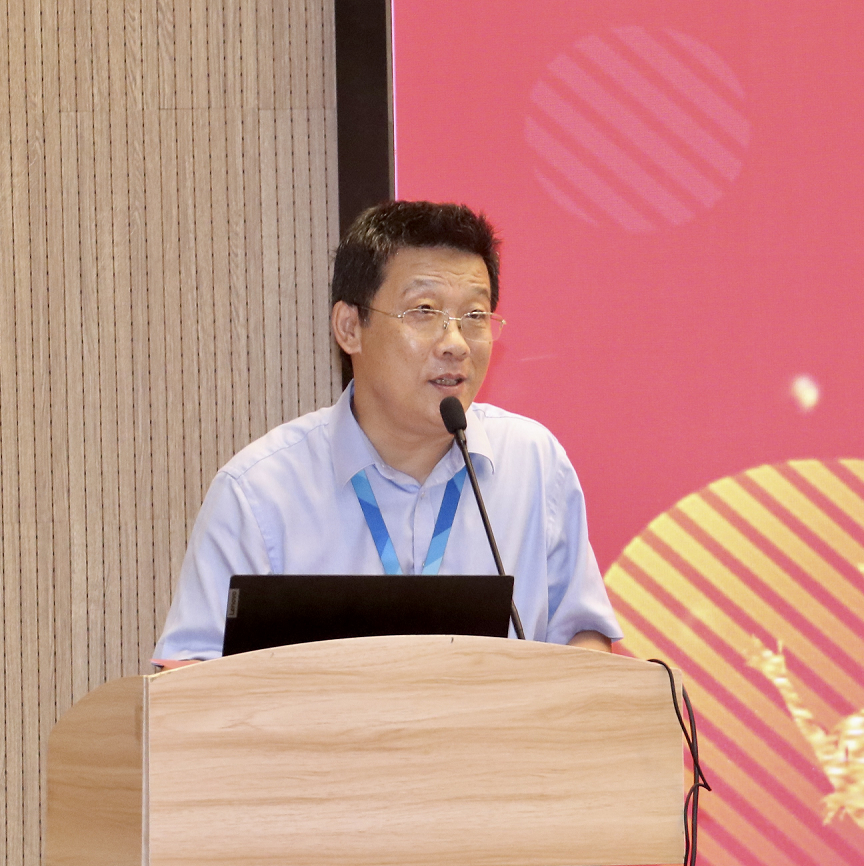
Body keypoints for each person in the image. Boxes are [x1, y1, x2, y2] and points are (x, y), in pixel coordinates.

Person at [155, 201, 621, 659]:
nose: (456, 344)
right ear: (349, 327)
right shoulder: (260, 492)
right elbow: (186, 674)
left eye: (475, 317)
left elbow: (584, 637)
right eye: (424, 310)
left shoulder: (535, 464)